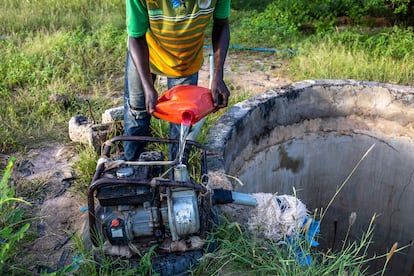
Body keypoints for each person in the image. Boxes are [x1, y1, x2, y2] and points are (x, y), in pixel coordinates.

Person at [123, 0, 231, 161]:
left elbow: (221, 24)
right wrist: (148, 87)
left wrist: (217, 76)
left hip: (185, 59)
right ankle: (132, 167)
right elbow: (136, 36)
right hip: (146, 54)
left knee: (182, 121)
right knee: (137, 113)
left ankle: (177, 174)